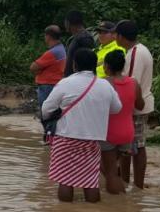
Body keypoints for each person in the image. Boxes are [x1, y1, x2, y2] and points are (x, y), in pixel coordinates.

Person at [41, 48, 122, 203]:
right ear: (94, 65)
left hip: (66, 137)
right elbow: (116, 108)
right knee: (90, 180)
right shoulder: (104, 85)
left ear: (74, 65)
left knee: (65, 180)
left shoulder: (65, 83)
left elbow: (46, 109)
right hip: (93, 139)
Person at [115, 20, 154, 189]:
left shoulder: (135, 53)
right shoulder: (138, 50)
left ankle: (137, 185)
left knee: (137, 146)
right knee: (130, 145)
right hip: (139, 104)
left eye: (116, 35)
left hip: (136, 107)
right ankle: (126, 181)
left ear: (121, 37)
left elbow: (131, 82)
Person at [100, 50, 144, 195]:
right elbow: (140, 106)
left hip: (109, 133)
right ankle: (121, 190)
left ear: (106, 66)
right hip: (127, 134)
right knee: (111, 168)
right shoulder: (134, 82)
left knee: (108, 170)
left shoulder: (104, 83)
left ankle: (121, 202)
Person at [30, 25, 66, 138]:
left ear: (48, 36)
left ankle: (50, 138)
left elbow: (33, 67)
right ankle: (52, 137)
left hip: (48, 87)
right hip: (54, 85)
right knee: (53, 114)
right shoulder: (61, 49)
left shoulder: (52, 53)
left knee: (46, 114)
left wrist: (40, 70)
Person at [63, 11, 94, 77]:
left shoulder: (84, 38)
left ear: (68, 23)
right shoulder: (75, 38)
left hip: (79, 79)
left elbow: (86, 62)